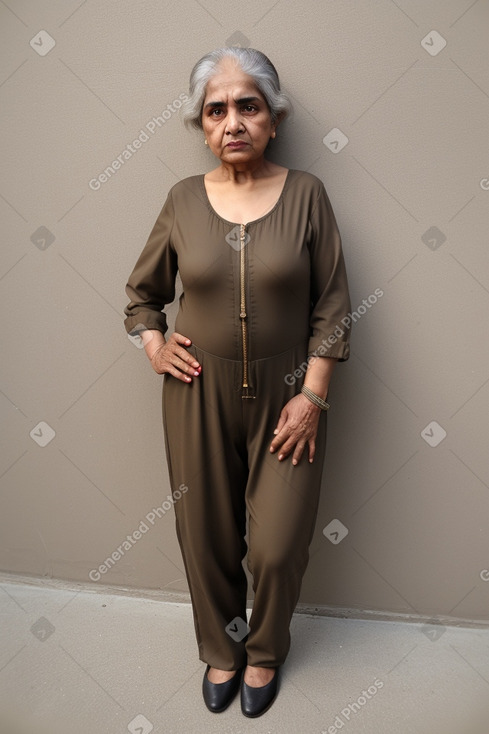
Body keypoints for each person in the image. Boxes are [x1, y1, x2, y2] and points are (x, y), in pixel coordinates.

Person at [124, 47, 351, 718]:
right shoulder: (181, 201)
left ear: (272, 118)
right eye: (215, 109)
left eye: (247, 106)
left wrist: (311, 398)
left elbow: (333, 306)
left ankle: (265, 652)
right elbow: (141, 296)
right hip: (196, 395)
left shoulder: (307, 194)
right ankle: (223, 652)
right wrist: (154, 344)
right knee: (205, 536)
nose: (232, 122)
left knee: (277, 545)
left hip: (290, 396)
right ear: (200, 124)